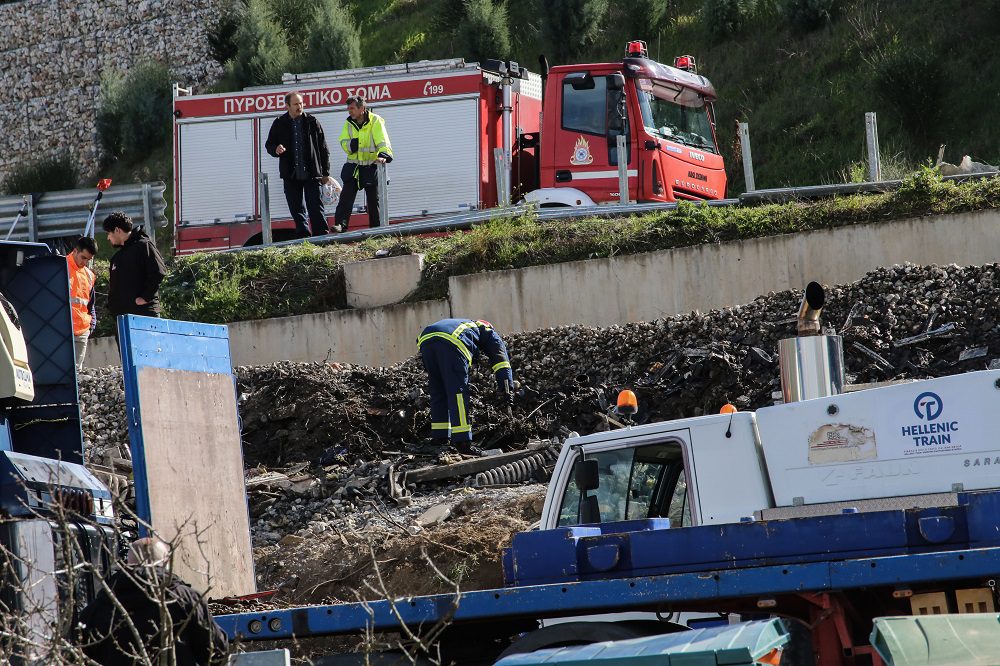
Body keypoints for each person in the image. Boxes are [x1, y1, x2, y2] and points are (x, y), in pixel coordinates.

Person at [77, 537, 229, 665]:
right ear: (166, 562)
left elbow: (78, 657)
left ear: (127, 564)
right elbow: (216, 654)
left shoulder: (97, 609)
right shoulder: (186, 600)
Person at [417, 318, 514, 451]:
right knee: (457, 392)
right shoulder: (488, 331)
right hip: (451, 342)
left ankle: (440, 437)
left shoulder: (463, 325)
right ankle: (462, 441)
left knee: (438, 391)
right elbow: (501, 360)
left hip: (426, 341)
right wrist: (507, 387)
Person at [265, 91, 336, 237]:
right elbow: (269, 145)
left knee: (315, 208)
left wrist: (325, 173)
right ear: (287, 106)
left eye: (301, 103)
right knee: (296, 209)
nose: (300, 106)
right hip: (290, 175)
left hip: (312, 173)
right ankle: (304, 238)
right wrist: (276, 149)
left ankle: (322, 238)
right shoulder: (279, 123)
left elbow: (323, 148)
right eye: (296, 104)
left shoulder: (312, 121)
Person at [103, 211, 167, 344]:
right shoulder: (117, 258)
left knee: (150, 360)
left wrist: (145, 297)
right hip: (123, 321)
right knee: (128, 362)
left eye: (109, 233)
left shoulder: (144, 245)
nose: (108, 238)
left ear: (117, 230)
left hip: (144, 317)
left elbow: (158, 272)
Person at [333, 96, 393, 231]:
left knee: (374, 201)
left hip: (372, 166)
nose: (349, 111)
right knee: (346, 198)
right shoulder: (348, 123)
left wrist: (383, 155)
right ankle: (340, 225)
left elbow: (383, 141)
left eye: (352, 108)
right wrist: (350, 145)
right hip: (354, 167)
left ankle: (377, 231)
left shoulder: (375, 121)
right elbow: (343, 141)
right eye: (348, 109)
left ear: (362, 108)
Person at [67, 236, 97, 369]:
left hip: (81, 332)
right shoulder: (60, 267)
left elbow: (90, 304)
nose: (85, 262)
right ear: (75, 251)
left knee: (76, 374)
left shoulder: (89, 275)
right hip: (62, 330)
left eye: (88, 259)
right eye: (83, 257)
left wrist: (91, 325)